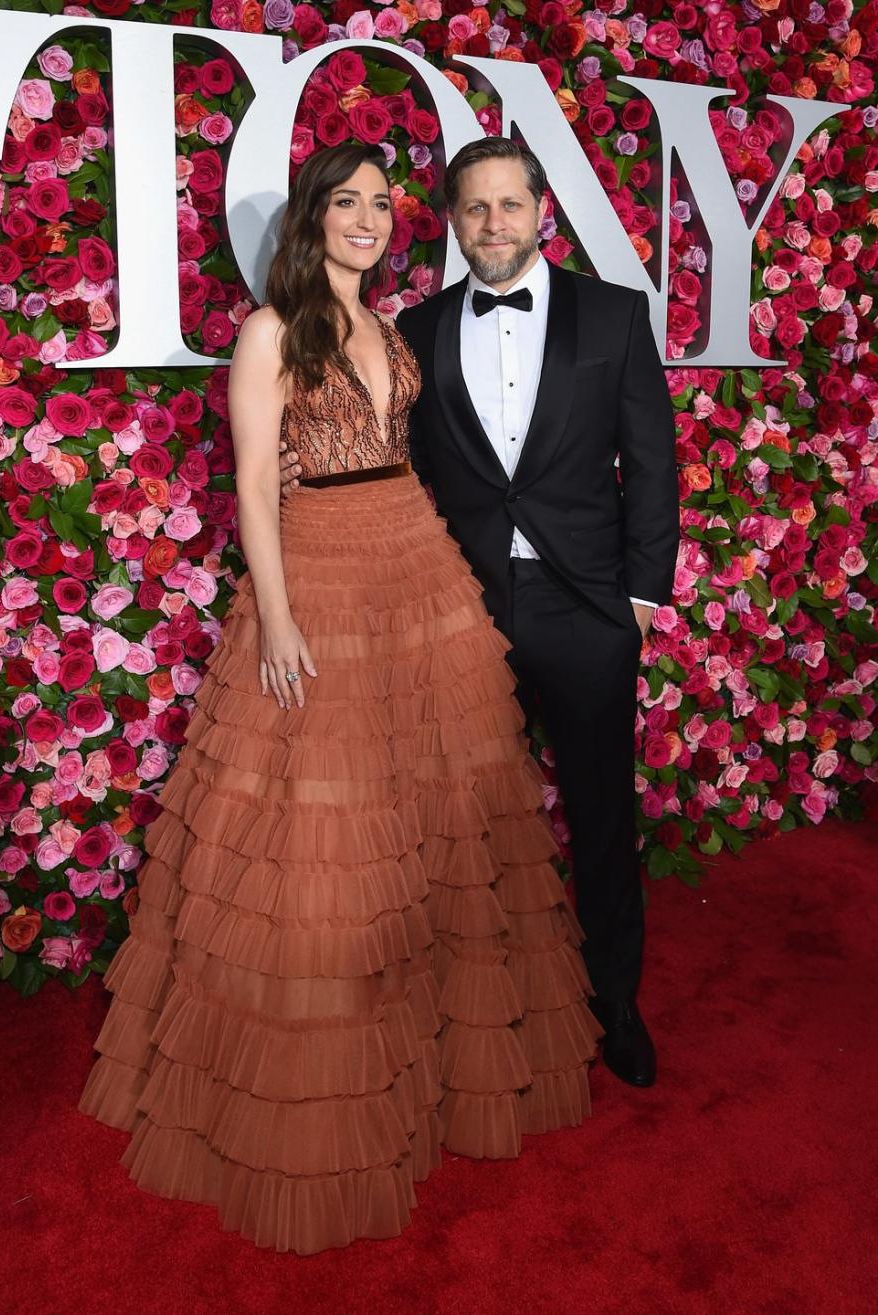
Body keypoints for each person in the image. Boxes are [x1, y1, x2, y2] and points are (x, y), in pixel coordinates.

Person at [79, 142, 601, 1256]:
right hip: (317, 570)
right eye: (347, 202)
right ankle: (325, 1069)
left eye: (381, 203)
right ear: (313, 216)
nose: (368, 218)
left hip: (414, 558)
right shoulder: (271, 331)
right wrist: (275, 618)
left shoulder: (395, 326)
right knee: (321, 828)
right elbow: (257, 489)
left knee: (432, 814)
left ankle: (437, 1059)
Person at [282, 138, 680, 1088]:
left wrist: (636, 597)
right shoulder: (409, 328)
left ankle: (616, 999)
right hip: (455, 606)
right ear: (452, 221)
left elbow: (653, 463)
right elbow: (376, 436)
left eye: (509, 205)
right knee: (458, 814)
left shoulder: (615, 316)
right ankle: (470, 998)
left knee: (597, 807)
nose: (492, 224)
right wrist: (300, 467)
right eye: (473, 209)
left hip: (586, 608)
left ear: (541, 209)